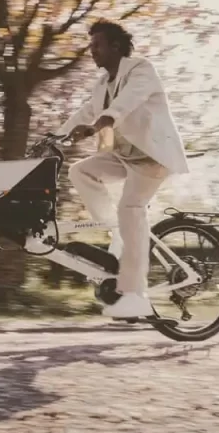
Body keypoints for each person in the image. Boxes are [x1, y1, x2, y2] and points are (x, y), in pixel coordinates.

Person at [54, 19, 189, 319]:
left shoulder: (141, 69)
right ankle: (115, 235)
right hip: (124, 156)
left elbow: (129, 101)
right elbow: (85, 113)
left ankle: (135, 294)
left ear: (115, 46)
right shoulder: (102, 84)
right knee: (81, 171)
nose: (92, 52)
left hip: (152, 158)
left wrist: (107, 119)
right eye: (91, 47)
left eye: (97, 46)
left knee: (130, 209)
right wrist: (56, 137)